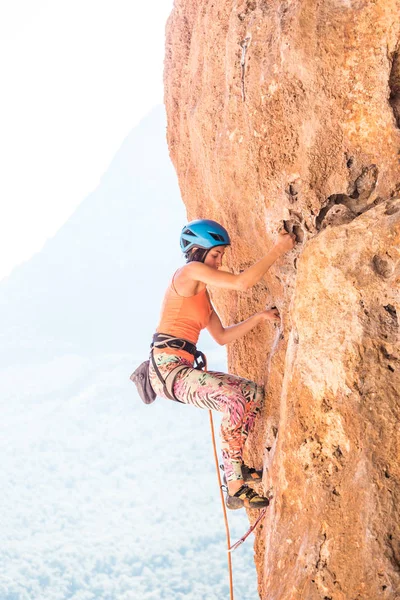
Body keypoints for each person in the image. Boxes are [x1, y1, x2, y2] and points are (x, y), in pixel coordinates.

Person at [149, 219, 296, 509]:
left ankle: (237, 470)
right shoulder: (188, 273)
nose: (219, 261)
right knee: (234, 398)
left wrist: (258, 318)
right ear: (196, 251)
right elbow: (242, 282)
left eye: (221, 255)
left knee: (252, 393)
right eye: (215, 254)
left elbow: (222, 336)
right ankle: (235, 485)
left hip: (179, 370)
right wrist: (279, 248)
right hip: (168, 371)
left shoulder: (202, 297)